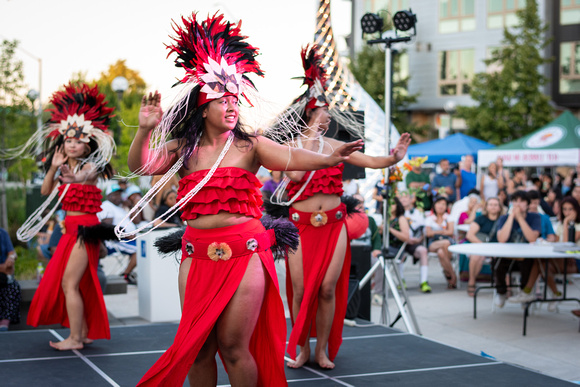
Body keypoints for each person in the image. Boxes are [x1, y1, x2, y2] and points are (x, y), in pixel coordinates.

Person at [121, 14, 363, 387]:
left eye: (236, 99)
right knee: (199, 347)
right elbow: (140, 167)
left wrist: (332, 157)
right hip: (197, 254)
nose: (233, 106)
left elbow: (293, 158)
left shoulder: (250, 146)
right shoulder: (183, 149)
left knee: (234, 348)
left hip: (245, 251)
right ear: (203, 108)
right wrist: (144, 130)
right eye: (223, 100)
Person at [270, 44, 410, 370]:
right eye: (322, 111)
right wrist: (310, 140)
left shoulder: (338, 146)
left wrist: (394, 157)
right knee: (302, 289)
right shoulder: (290, 146)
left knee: (329, 289)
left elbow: (374, 161)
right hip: (300, 226)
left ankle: (322, 350)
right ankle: (302, 347)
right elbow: (294, 173)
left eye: (328, 111)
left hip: (333, 225)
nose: (328, 116)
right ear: (309, 112)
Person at [24, 83, 115, 350]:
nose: (72, 144)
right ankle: (82, 333)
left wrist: (72, 177)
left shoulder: (90, 167)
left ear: (88, 146)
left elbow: (83, 177)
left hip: (84, 229)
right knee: (77, 282)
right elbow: (45, 190)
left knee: (69, 283)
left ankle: (75, 338)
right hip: (70, 230)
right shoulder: (63, 166)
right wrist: (52, 168)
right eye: (68, 140)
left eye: (78, 141)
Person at [508, 196, 579, 308]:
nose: (567, 212)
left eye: (570, 209)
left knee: (540, 263)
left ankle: (528, 292)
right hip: (560, 259)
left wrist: (566, 222)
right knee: (541, 264)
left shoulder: (574, 225)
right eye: (565, 209)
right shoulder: (560, 225)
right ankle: (554, 294)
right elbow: (556, 241)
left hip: (574, 262)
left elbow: (567, 244)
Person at [493, 190, 541, 308]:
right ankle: (502, 292)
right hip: (507, 256)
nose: (518, 204)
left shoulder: (535, 217)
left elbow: (532, 238)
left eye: (522, 201)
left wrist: (520, 218)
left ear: (528, 204)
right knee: (496, 263)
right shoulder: (504, 218)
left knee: (529, 262)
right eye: (515, 201)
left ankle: (523, 293)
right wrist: (511, 217)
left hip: (525, 256)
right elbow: (502, 239)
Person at [97, 183, 138, 284]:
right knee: (140, 250)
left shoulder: (120, 207)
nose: (119, 197)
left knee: (144, 246)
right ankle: (126, 274)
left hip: (127, 239)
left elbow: (136, 221)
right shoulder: (107, 205)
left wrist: (132, 205)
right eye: (115, 194)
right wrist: (125, 234)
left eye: (120, 194)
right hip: (115, 241)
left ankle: (128, 273)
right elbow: (107, 227)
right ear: (109, 196)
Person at [464, 198, 503, 296]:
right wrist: (483, 246)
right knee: (477, 256)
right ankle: (472, 281)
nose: (493, 207)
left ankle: (504, 286)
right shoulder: (481, 219)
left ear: (499, 207)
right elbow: (470, 235)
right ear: (486, 207)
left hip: (497, 249)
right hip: (480, 246)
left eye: (495, 205)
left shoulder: (503, 220)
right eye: (490, 204)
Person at [399, 192, 431, 293]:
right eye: (401, 198)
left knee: (423, 251)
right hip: (401, 243)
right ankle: (401, 280)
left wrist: (419, 239)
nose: (403, 200)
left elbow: (423, 230)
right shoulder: (397, 213)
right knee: (400, 255)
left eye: (406, 197)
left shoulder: (418, 213)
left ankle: (424, 281)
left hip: (414, 242)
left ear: (411, 199)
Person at [425, 196, 457, 289]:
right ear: (434, 205)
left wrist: (435, 232)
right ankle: (452, 274)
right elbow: (428, 233)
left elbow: (450, 232)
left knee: (441, 252)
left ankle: (447, 272)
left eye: (443, 204)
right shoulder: (430, 218)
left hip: (446, 244)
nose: (441, 206)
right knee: (446, 242)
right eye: (439, 203)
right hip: (434, 243)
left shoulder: (449, 218)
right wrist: (443, 231)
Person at [0, 228, 20, 331]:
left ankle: (5, 322)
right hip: (3, 271)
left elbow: (12, 252)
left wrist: (11, 258)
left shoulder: (2, 233)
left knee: (14, 287)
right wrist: (3, 268)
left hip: (4, 275)